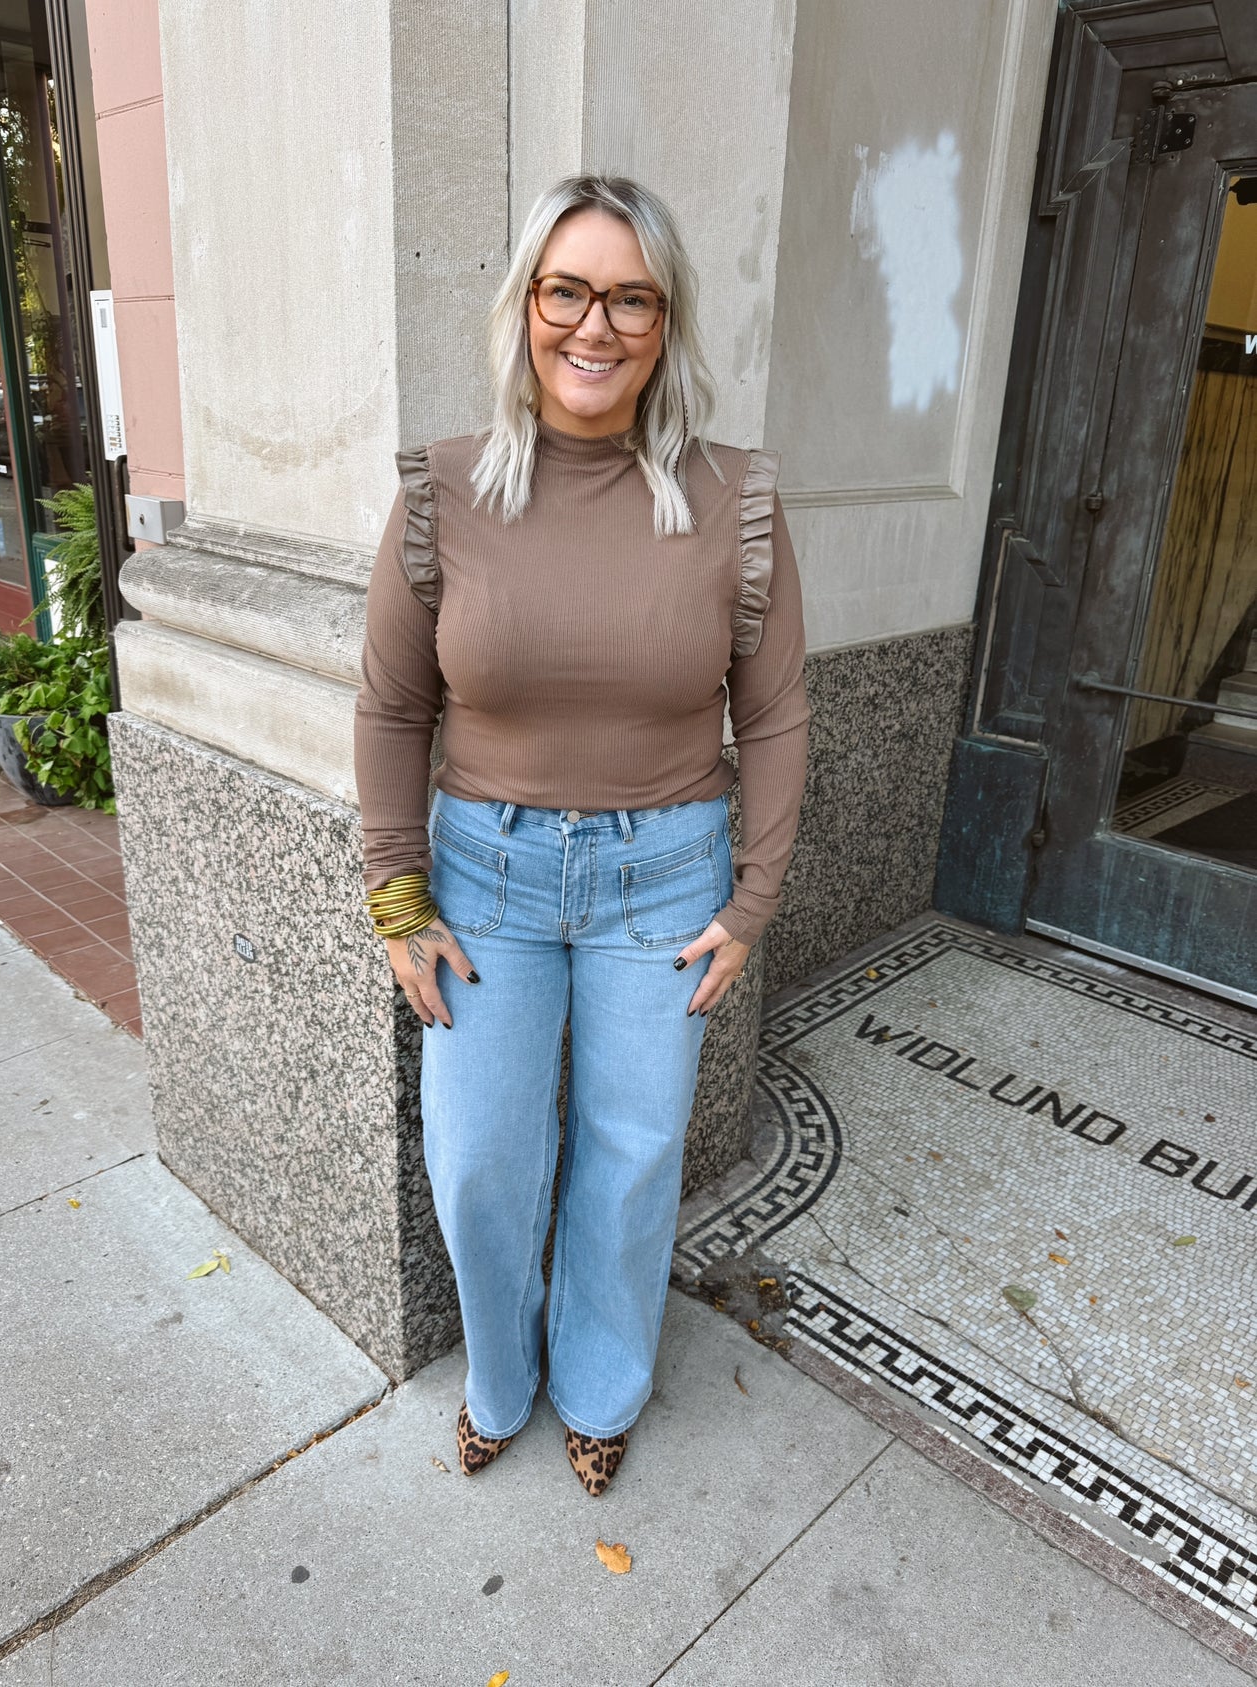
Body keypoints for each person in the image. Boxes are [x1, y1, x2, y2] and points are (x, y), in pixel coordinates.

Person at [353, 173, 809, 1496]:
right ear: (526, 307)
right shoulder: (442, 492)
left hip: (664, 882)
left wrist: (752, 901)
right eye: (567, 290)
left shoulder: (732, 499)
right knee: (481, 1158)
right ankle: (501, 1377)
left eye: (628, 296)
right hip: (481, 880)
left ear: (664, 321)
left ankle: (601, 1386)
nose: (592, 326)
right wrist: (397, 902)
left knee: (631, 1155)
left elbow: (775, 715)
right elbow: (390, 704)